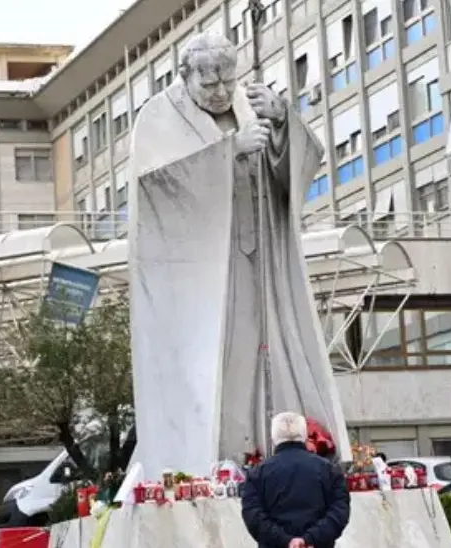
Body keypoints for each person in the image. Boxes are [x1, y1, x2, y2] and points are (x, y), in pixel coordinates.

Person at [128, 31, 350, 478]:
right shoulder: (157, 117)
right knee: (220, 366)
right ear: (184, 76)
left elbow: (301, 168)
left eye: (228, 81)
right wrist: (229, 152)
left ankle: (279, 447)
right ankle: (218, 459)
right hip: (203, 279)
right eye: (209, 84)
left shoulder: (249, 104)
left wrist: (282, 122)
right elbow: (155, 189)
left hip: (262, 262)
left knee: (272, 352)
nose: (221, 92)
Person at [242, 412, 350, 548]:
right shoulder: (329, 470)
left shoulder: (257, 474)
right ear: (305, 436)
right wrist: (309, 539)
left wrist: (285, 541)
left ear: (273, 438)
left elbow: (253, 516)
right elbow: (339, 511)